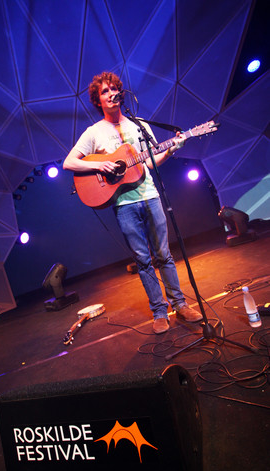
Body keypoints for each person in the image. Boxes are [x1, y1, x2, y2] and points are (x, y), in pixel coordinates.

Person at [63, 71, 202, 334]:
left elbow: (149, 162)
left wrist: (171, 149)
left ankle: (181, 305)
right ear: (98, 100)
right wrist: (102, 163)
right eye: (104, 91)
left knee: (164, 254)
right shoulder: (94, 132)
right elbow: (69, 162)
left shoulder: (139, 126)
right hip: (123, 204)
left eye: (114, 89)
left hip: (150, 195)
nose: (111, 94)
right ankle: (159, 312)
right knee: (143, 259)